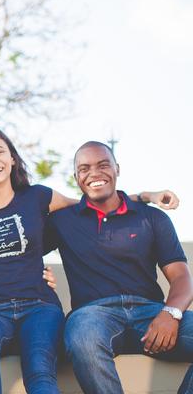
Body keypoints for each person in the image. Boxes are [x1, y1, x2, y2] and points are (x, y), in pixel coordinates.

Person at [0, 126, 176, 394]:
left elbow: (91, 205)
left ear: (12, 158)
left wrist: (145, 197)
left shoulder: (38, 196)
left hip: (39, 306)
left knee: (40, 371)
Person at [45, 141, 193, 394]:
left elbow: (181, 276)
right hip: (93, 316)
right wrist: (38, 274)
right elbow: (20, 250)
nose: (94, 173)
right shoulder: (62, 221)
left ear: (117, 169)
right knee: (83, 339)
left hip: (151, 314)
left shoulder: (152, 217)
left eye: (103, 165)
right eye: (84, 168)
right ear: (77, 177)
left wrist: (171, 313)